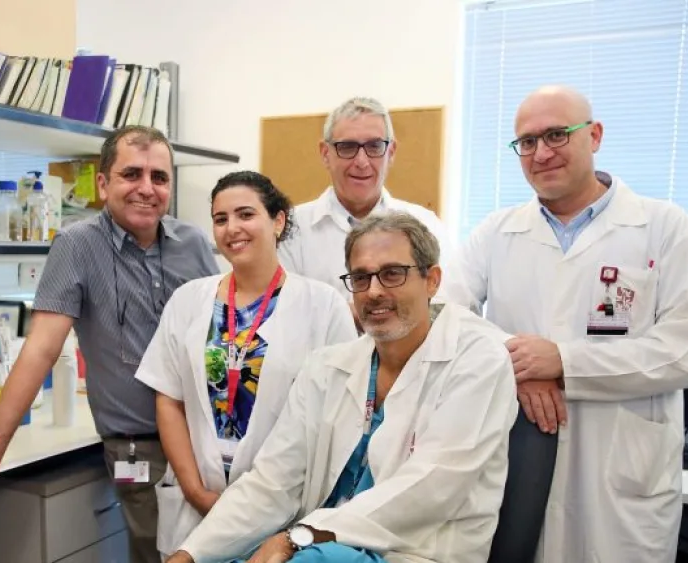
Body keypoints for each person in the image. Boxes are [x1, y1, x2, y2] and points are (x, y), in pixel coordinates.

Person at [437, 85, 688, 563]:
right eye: (526, 142)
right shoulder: (496, 231)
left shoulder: (665, 228)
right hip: (519, 453)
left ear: (594, 135)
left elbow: (687, 350)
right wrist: (520, 361)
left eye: (556, 134)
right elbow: (446, 312)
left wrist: (564, 362)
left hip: (623, 475)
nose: (541, 152)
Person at [0, 125, 220, 563]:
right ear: (102, 183)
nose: (146, 189)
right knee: (162, 556)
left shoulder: (191, 243)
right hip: (139, 447)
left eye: (159, 177)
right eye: (131, 174)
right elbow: (41, 348)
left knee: (221, 552)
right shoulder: (77, 246)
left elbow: (221, 333)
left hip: (207, 440)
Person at [167, 211, 518, 563]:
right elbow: (272, 482)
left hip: (414, 551)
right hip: (321, 543)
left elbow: (431, 488)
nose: (375, 291)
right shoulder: (327, 367)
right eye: (361, 278)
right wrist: (190, 553)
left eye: (393, 274)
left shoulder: (478, 360)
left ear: (432, 280)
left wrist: (300, 536)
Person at [134, 171, 358, 558]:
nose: (232, 228)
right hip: (194, 497)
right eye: (221, 219)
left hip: (281, 506)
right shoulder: (189, 300)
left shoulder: (323, 305)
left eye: (245, 214)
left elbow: (340, 417)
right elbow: (168, 398)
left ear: (278, 220)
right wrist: (196, 492)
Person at [278, 96, 450, 302]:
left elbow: (441, 306)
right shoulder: (290, 230)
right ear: (325, 154)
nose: (361, 161)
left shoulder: (427, 225)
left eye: (375, 146)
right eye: (347, 147)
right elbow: (286, 313)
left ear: (391, 152)